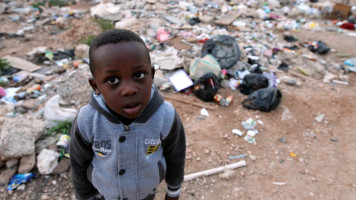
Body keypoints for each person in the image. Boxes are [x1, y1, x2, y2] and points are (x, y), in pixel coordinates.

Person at [69, 29, 186, 200]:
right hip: (104, 194)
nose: (129, 90)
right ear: (95, 86)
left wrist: (173, 191)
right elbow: (79, 165)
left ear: (152, 75)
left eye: (138, 75)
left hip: (146, 193)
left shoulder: (166, 116)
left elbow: (176, 156)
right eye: (112, 80)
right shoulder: (87, 120)